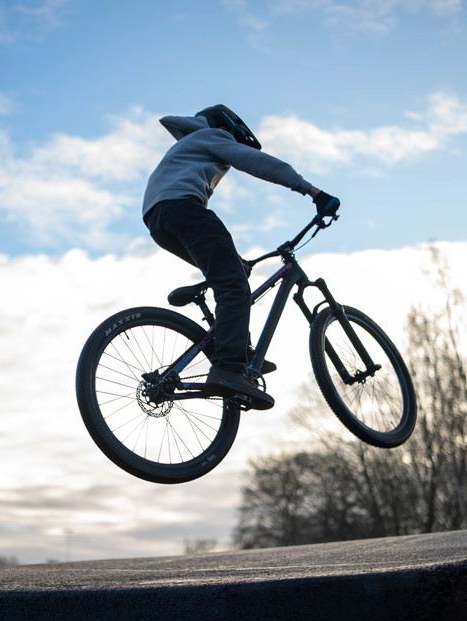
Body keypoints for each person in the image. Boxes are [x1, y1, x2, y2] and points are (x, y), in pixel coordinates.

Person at [142, 104, 340, 411]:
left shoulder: (187, 146)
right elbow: (256, 161)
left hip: (159, 220)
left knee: (233, 274)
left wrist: (238, 262)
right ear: (228, 128)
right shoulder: (211, 135)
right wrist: (312, 191)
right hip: (185, 210)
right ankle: (229, 368)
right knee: (233, 285)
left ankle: (238, 348)